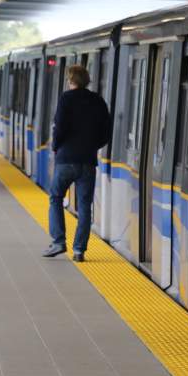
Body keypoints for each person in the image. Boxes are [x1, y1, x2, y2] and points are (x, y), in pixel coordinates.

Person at [42, 64, 111, 262]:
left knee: (56, 197)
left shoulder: (66, 99)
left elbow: (60, 127)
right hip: (88, 161)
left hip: (66, 159)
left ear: (71, 80)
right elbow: (106, 132)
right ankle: (79, 250)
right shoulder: (98, 101)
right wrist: (93, 146)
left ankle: (58, 241)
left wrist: (56, 146)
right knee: (84, 207)